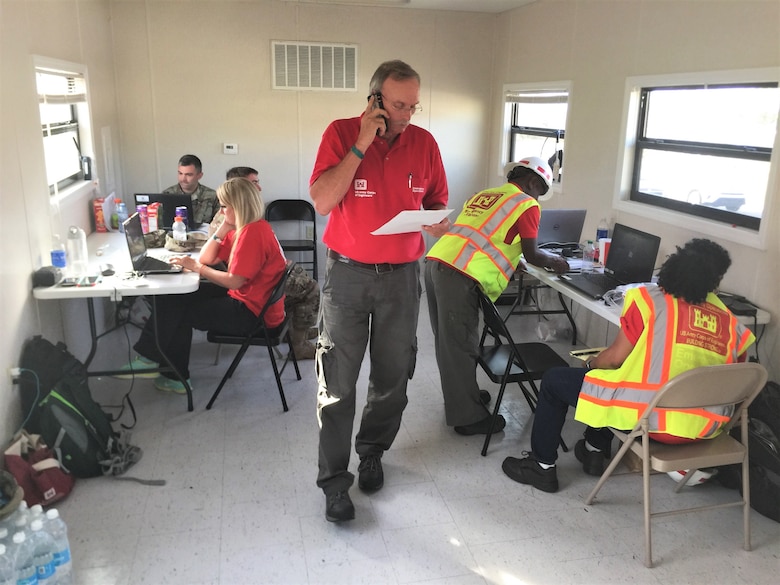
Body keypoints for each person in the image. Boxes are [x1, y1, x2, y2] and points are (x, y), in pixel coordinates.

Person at [501, 238, 756, 493]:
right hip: (705, 429)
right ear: (716, 281)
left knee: (565, 379)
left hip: (647, 421)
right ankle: (593, 451)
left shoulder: (650, 300)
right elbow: (733, 382)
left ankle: (542, 467)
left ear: (673, 267)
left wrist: (590, 364)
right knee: (610, 379)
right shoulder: (732, 325)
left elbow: (614, 359)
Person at [310, 60, 450, 522]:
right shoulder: (340, 133)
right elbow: (325, 200)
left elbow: (435, 202)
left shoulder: (424, 144)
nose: (408, 114)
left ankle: (372, 451)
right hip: (347, 277)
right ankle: (334, 482)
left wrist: (436, 221)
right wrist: (360, 145)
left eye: (413, 105)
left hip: (402, 277)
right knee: (338, 383)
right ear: (374, 100)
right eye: (398, 105)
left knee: (392, 376)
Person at [425, 157, 570, 436]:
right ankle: (468, 418)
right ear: (532, 183)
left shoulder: (486, 195)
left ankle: (464, 397)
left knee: (449, 343)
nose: (539, 196)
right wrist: (556, 261)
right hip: (461, 274)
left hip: (437, 263)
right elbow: (533, 253)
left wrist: (515, 258)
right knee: (459, 345)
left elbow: (488, 236)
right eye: (540, 190)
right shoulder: (527, 203)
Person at [120, 177, 287, 394]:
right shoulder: (246, 227)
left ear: (238, 206)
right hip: (251, 299)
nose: (221, 211)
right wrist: (223, 228)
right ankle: (152, 356)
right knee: (173, 297)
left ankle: (173, 374)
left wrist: (197, 268)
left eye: (225, 207)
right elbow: (208, 258)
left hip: (252, 314)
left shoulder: (251, 234)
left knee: (180, 311)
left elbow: (233, 280)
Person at [208, 166, 319, 360]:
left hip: (263, 274)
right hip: (257, 283)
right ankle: (298, 342)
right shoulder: (230, 217)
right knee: (310, 290)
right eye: (253, 184)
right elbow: (228, 260)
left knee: (302, 284)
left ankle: (295, 330)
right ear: (241, 190)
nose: (258, 188)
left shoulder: (246, 214)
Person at [164, 154, 220, 224]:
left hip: (203, 234)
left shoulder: (212, 196)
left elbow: (219, 223)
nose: (183, 179)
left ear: (199, 175)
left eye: (188, 175)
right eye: (180, 173)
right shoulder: (167, 194)